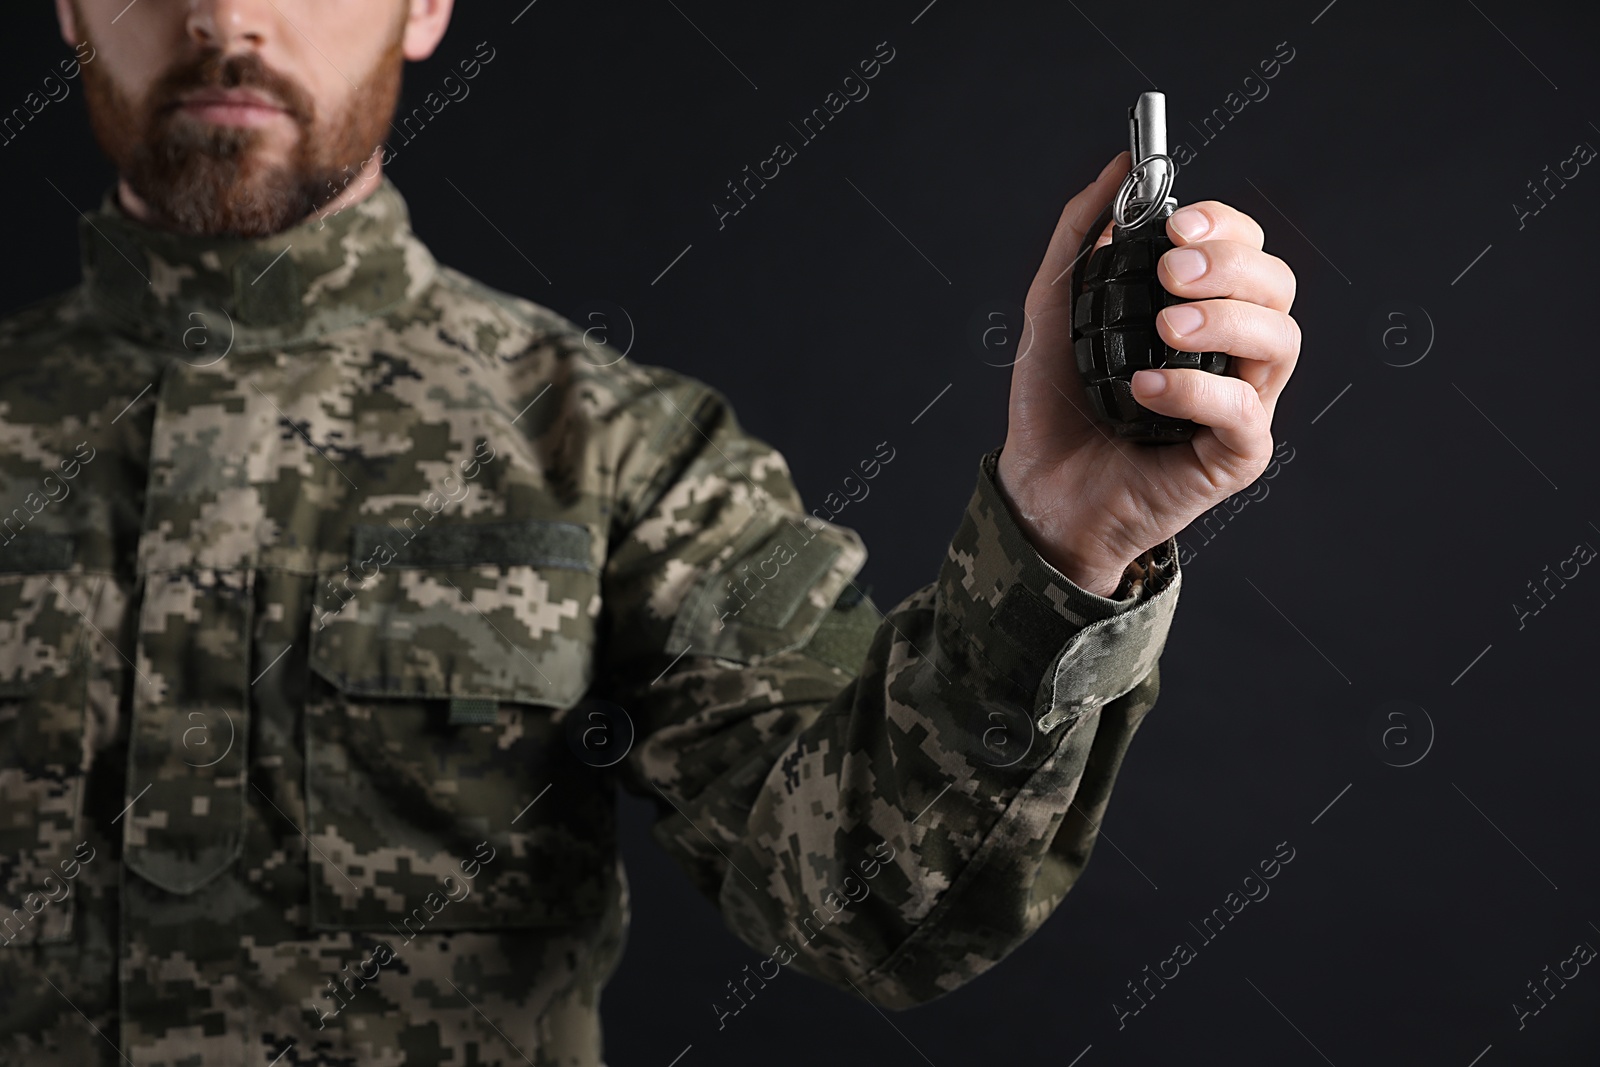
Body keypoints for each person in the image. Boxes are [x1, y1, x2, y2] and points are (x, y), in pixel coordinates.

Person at [0, 1, 1300, 1064]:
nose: (225, 17)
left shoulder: (623, 449)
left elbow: (871, 907)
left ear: (426, 6)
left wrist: (1060, 550)